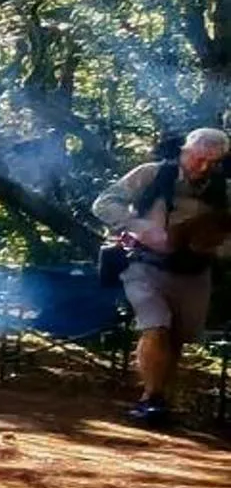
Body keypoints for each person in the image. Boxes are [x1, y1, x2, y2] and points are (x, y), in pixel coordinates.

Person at [92, 126, 229, 426]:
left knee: (177, 336)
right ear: (185, 151)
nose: (203, 167)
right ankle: (150, 399)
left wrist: (216, 246)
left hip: (194, 272)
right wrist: (140, 227)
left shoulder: (223, 189)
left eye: (212, 162)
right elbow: (103, 203)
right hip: (144, 265)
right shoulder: (152, 174)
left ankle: (159, 397)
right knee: (156, 326)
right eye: (198, 159)